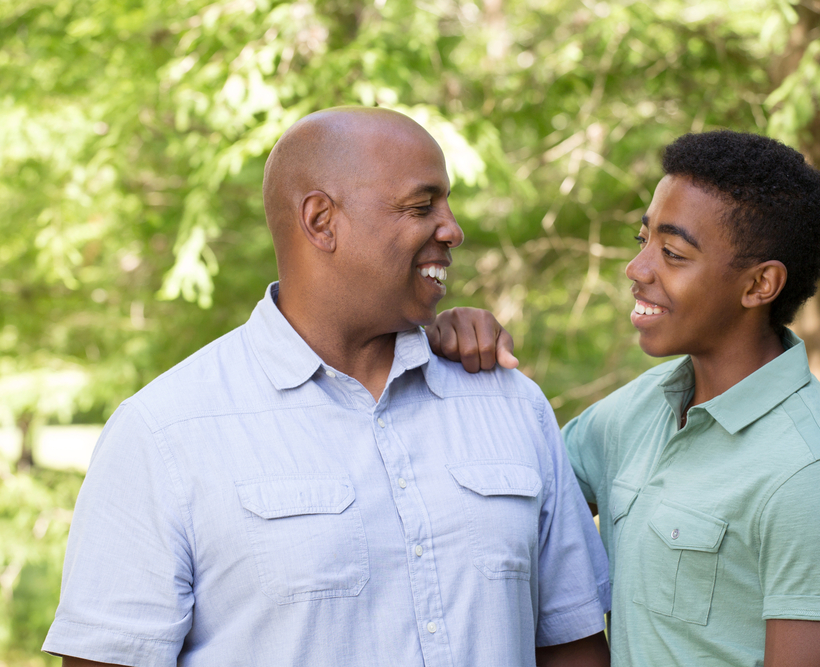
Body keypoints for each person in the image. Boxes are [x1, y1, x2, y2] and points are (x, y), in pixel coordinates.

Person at [43, 107, 611, 667]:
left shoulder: (510, 404)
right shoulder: (165, 432)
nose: (453, 229)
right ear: (320, 220)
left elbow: (571, 644)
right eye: (421, 205)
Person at [429, 130, 820, 667]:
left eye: (672, 253)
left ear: (759, 284)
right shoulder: (638, 408)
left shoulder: (816, 475)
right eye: (642, 239)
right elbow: (516, 502)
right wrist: (459, 337)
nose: (638, 269)